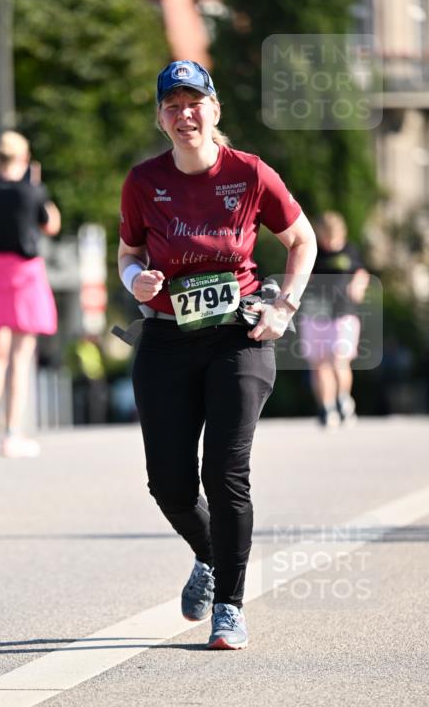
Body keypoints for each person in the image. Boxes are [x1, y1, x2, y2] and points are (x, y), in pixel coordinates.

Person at [118, 60, 317, 650]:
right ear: (160, 118)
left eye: (194, 103)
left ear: (215, 110)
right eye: (173, 106)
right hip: (166, 339)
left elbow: (301, 239)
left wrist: (286, 307)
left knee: (225, 473)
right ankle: (209, 557)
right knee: (170, 484)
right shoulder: (142, 182)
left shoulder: (250, 173)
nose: (185, 116)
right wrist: (135, 282)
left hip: (240, 336)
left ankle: (229, 605)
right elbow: (127, 252)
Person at [0, 130, 61, 457]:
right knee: (20, 358)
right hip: (25, 273)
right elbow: (51, 225)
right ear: (23, 159)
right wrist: (36, 187)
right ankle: (11, 433)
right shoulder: (30, 192)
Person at [299, 211, 370, 428]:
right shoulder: (314, 251)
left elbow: (361, 272)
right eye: (326, 237)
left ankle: (343, 400)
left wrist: (358, 284)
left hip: (343, 313)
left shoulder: (350, 250)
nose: (330, 242)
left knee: (339, 359)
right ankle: (326, 407)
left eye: (333, 237)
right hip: (317, 313)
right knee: (320, 364)